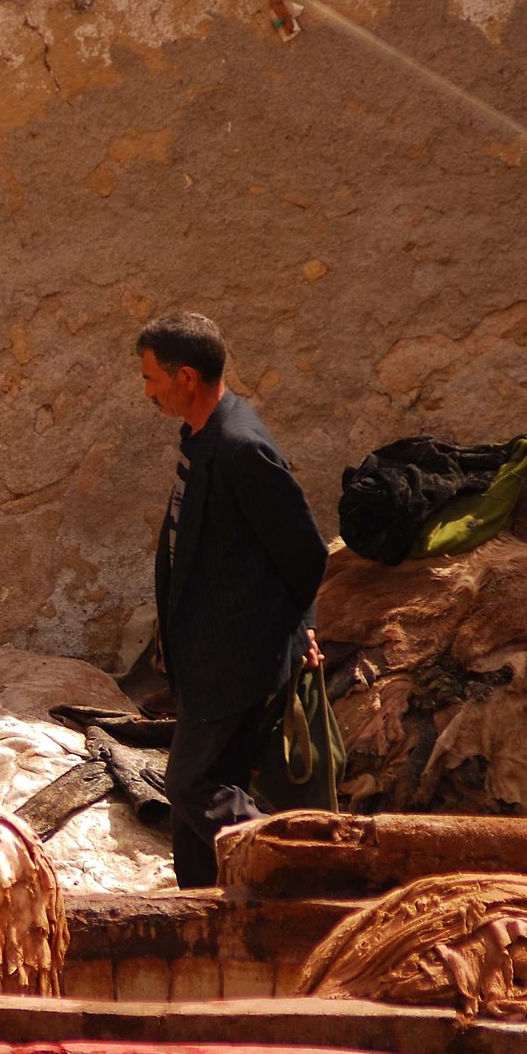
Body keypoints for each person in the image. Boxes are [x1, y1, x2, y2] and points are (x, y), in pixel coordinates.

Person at [136, 311, 330, 889]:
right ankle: (204, 905)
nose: (146, 391)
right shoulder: (201, 437)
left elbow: (306, 553)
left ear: (186, 377)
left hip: (234, 656)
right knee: (207, 790)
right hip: (204, 653)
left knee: (190, 785)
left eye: (151, 379)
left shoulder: (242, 447)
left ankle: (300, 864)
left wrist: (300, 630)